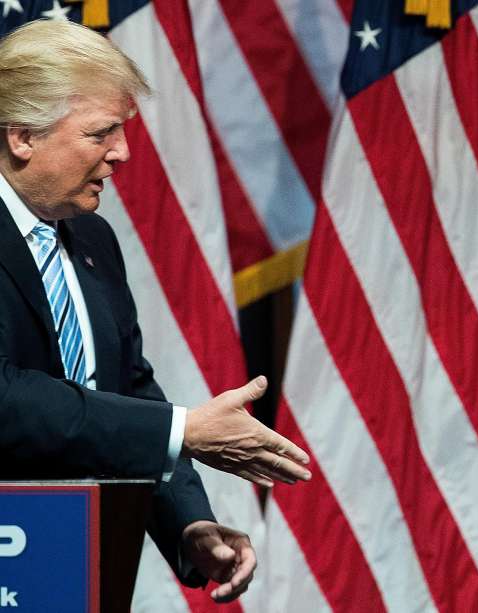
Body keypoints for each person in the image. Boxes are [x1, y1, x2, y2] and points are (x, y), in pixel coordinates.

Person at [0, 19, 311, 603]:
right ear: (23, 136)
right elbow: (7, 399)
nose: (122, 152)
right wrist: (186, 430)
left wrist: (188, 524)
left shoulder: (91, 239)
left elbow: (131, 392)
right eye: (102, 132)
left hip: (84, 566)